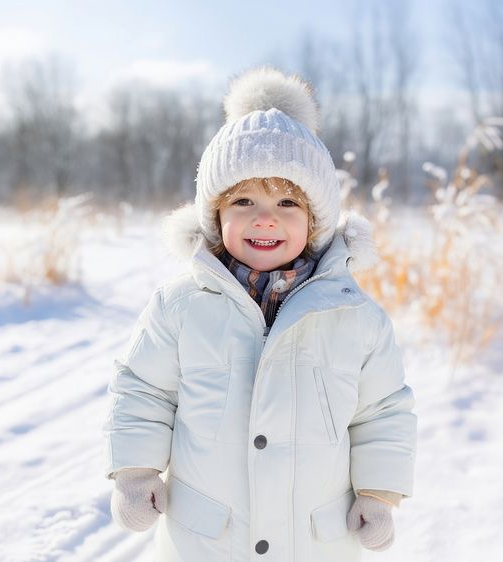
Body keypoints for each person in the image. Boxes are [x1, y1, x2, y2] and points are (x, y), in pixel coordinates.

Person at [102, 67, 417, 561]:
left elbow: (382, 411)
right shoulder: (182, 305)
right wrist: (136, 470)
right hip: (207, 540)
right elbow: (143, 389)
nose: (264, 217)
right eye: (243, 200)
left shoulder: (354, 316)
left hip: (314, 543)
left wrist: (379, 493)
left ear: (315, 220)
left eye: (287, 201)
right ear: (216, 216)